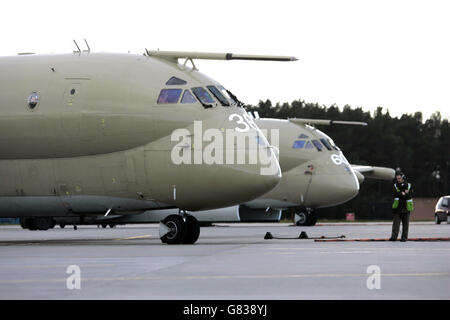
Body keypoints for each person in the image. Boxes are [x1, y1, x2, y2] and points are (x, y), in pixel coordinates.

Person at [390, 172, 414, 242]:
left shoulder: (409, 185)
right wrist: (402, 193)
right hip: (397, 207)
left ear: (403, 178)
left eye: (399, 178)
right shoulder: (395, 185)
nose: (398, 180)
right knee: (396, 223)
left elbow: (412, 194)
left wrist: (406, 193)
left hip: (406, 207)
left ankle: (404, 237)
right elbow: (394, 193)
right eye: (397, 178)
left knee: (405, 224)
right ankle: (394, 236)